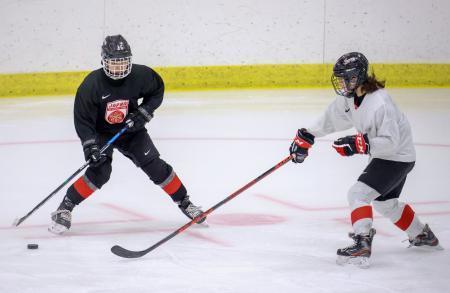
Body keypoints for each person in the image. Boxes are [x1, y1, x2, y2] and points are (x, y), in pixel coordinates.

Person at [289, 52, 442, 267]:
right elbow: (332, 117)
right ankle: (422, 235)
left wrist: (359, 143)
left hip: (395, 157)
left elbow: (391, 142)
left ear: (356, 77)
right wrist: (309, 135)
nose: (341, 83)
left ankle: (362, 243)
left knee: (358, 194)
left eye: (345, 78)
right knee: (385, 204)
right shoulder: (350, 98)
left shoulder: (380, 103)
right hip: (391, 157)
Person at [49, 34, 206, 234]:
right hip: (101, 134)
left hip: (131, 130)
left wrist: (144, 111)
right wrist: (90, 145)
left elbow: (157, 89)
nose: (119, 68)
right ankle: (65, 208)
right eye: (114, 63)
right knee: (100, 172)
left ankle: (185, 202)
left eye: (123, 62)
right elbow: (83, 119)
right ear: (104, 61)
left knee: (155, 166)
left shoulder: (141, 75)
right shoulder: (91, 85)